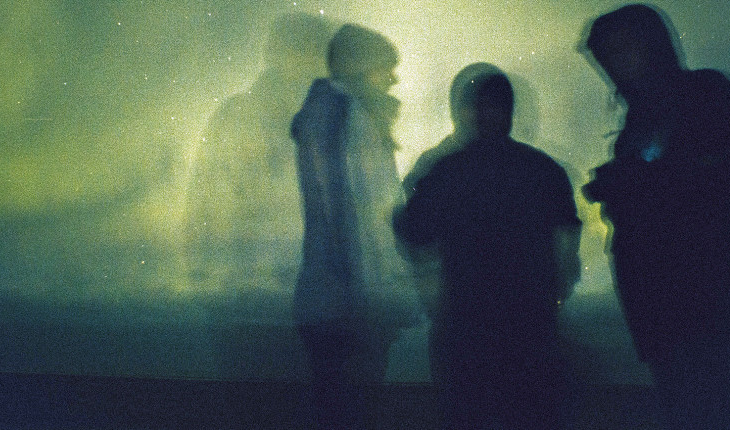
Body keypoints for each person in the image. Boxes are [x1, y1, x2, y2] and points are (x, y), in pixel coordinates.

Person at [580, 5, 730, 429]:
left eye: (622, 50)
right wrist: (623, 189)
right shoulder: (643, 117)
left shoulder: (706, 93)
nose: (614, 66)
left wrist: (655, 177)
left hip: (699, 297)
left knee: (698, 408)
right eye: (607, 56)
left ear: (651, 45)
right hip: (661, 302)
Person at [395, 65, 581, 429]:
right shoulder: (544, 170)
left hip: (465, 330)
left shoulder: (445, 171)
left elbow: (413, 231)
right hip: (531, 331)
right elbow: (567, 245)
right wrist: (555, 295)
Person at [291, 24, 422, 430]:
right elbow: (351, 219)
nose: (393, 78)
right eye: (386, 67)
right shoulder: (344, 115)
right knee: (353, 411)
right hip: (349, 304)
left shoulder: (344, 113)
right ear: (360, 66)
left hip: (340, 300)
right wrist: (366, 304)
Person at [187, 13, 335, 299]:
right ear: (278, 55)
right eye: (307, 51)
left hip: (298, 287)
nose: (317, 64)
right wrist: (205, 276)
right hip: (244, 286)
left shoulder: (320, 118)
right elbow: (205, 205)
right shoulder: (238, 117)